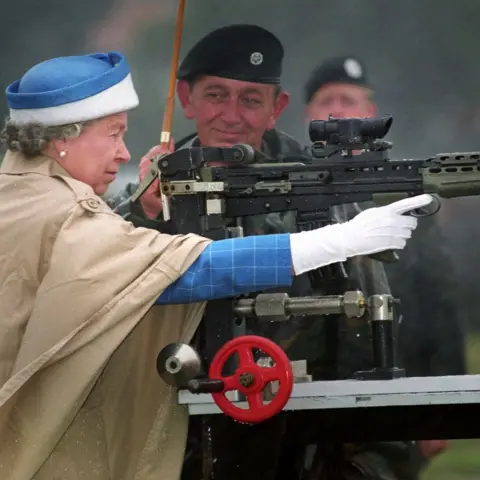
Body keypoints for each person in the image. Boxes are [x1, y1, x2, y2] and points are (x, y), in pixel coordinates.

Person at [0, 51, 432, 480]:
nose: (123, 151)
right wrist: (337, 240)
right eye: (113, 134)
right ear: (64, 137)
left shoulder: (23, 196)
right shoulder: (61, 215)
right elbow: (185, 272)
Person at [303, 55, 460, 479]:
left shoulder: (403, 195)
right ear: (308, 115)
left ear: (370, 113)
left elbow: (438, 300)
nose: (339, 110)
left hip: (396, 385)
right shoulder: (294, 184)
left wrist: (442, 406)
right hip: (311, 387)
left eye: (349, 99)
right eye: (327, 100)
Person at [106, 24, 304, 222]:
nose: (231, 117)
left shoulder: (313, 180)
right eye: (216, 96)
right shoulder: (145, 192)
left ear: (275, 109)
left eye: (251, 100)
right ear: (186, 98)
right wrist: (148, 212)